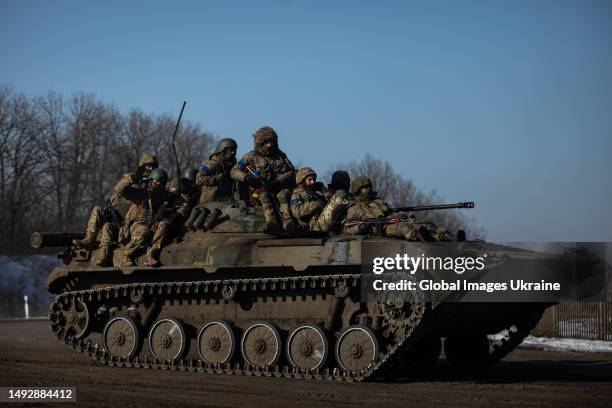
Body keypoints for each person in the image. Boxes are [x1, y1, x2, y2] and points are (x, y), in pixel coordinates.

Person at [73, 153, 159, 267]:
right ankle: (89, 240)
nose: (149, 168)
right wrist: (133, 179)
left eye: (152, 166)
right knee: (98, 211)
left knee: (109, 227)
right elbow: (119, 188)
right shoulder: (131, 178)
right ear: (141, 166)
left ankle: (117, 254)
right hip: (115, 219)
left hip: (129, 223)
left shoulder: (154, 183)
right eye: (147, 166)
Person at [344, 176, 449, 241]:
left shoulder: (377, 201)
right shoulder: (354, 208)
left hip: (391, 221)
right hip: (380, 229)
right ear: (358, 190)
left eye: (369, 186)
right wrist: (362, 227)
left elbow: (388, 212)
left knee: (423, 224)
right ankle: (421, 237)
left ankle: (441, 235)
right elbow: (348, 228)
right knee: (403, 227)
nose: (368, 189)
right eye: (365, 187)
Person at [231, 126, 296, 231]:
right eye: (266, 142)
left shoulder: (280, 156)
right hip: (257, 191)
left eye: (271, 142)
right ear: (260, 143)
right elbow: (234, 171)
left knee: (284, 195)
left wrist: (277, 181)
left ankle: (288, 221)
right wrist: (247, 178)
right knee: (264, 196)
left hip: (277, 188)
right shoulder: (250, 156)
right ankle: (272, 223)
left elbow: (292, 172)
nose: (269, 145)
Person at [116, 168, 176, 267]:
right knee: (144, 230)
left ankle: (151, 254)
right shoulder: (140, 193)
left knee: (164, 224)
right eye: (156, 181)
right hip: (137, 226)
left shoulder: (162, 195)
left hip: (153, 225)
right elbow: (119, 189)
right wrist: (132, 178)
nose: (157, 184)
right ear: (151, 180)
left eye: (160, 183)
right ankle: (126, 255)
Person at [290, 167, 350, 232]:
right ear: (302, 180)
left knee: (342, 199)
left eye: (314, 179)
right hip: (314, 227)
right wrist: (316, 204)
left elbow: (330, 200)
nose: (313, 182)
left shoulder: (313, 192)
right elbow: (297, 212)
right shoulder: (297, 193)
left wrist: (323, 190)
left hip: (321, 222)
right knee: (340, 195)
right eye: (310, 179)